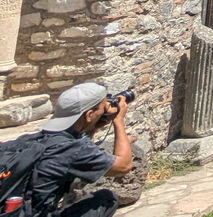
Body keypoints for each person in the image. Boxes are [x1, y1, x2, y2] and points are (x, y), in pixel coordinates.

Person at [25, 83, 133, 217]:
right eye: (102, 107)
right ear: (89, 114)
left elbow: (76, 151)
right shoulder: (72, 149)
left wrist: (93, 126)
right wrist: (118, 120)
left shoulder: (31, 140)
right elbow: (123, 166)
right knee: (107, 198)